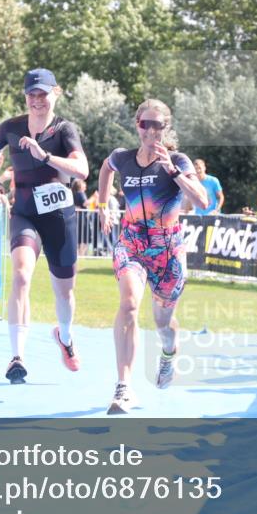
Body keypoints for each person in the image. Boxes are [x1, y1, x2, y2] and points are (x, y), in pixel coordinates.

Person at [0, 68, 89, 384]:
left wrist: (45, 155)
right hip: (24, 214)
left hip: (59, 217)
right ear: (25, 96)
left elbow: (82, 169)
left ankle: (64, 336)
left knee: (65, 291)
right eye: (31, 95)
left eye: (42, 94)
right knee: (21, 276)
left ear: (55, 93)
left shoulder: (64, 130)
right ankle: (17, 357)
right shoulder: (11, 127)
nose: (37, 101)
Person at [96, 99, 208, 414]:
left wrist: (174, 172)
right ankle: (124, 387)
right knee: (129, 304)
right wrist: (104, 205)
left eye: (158, 125)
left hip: (168, 249)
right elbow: (106, 167)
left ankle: (169, 353)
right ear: (138, 126)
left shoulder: (179, 161)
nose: (152, 130)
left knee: (163, 323)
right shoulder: (123, 158)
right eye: (146, 124)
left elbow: (202, 201)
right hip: (132, 241)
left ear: (165, 128)